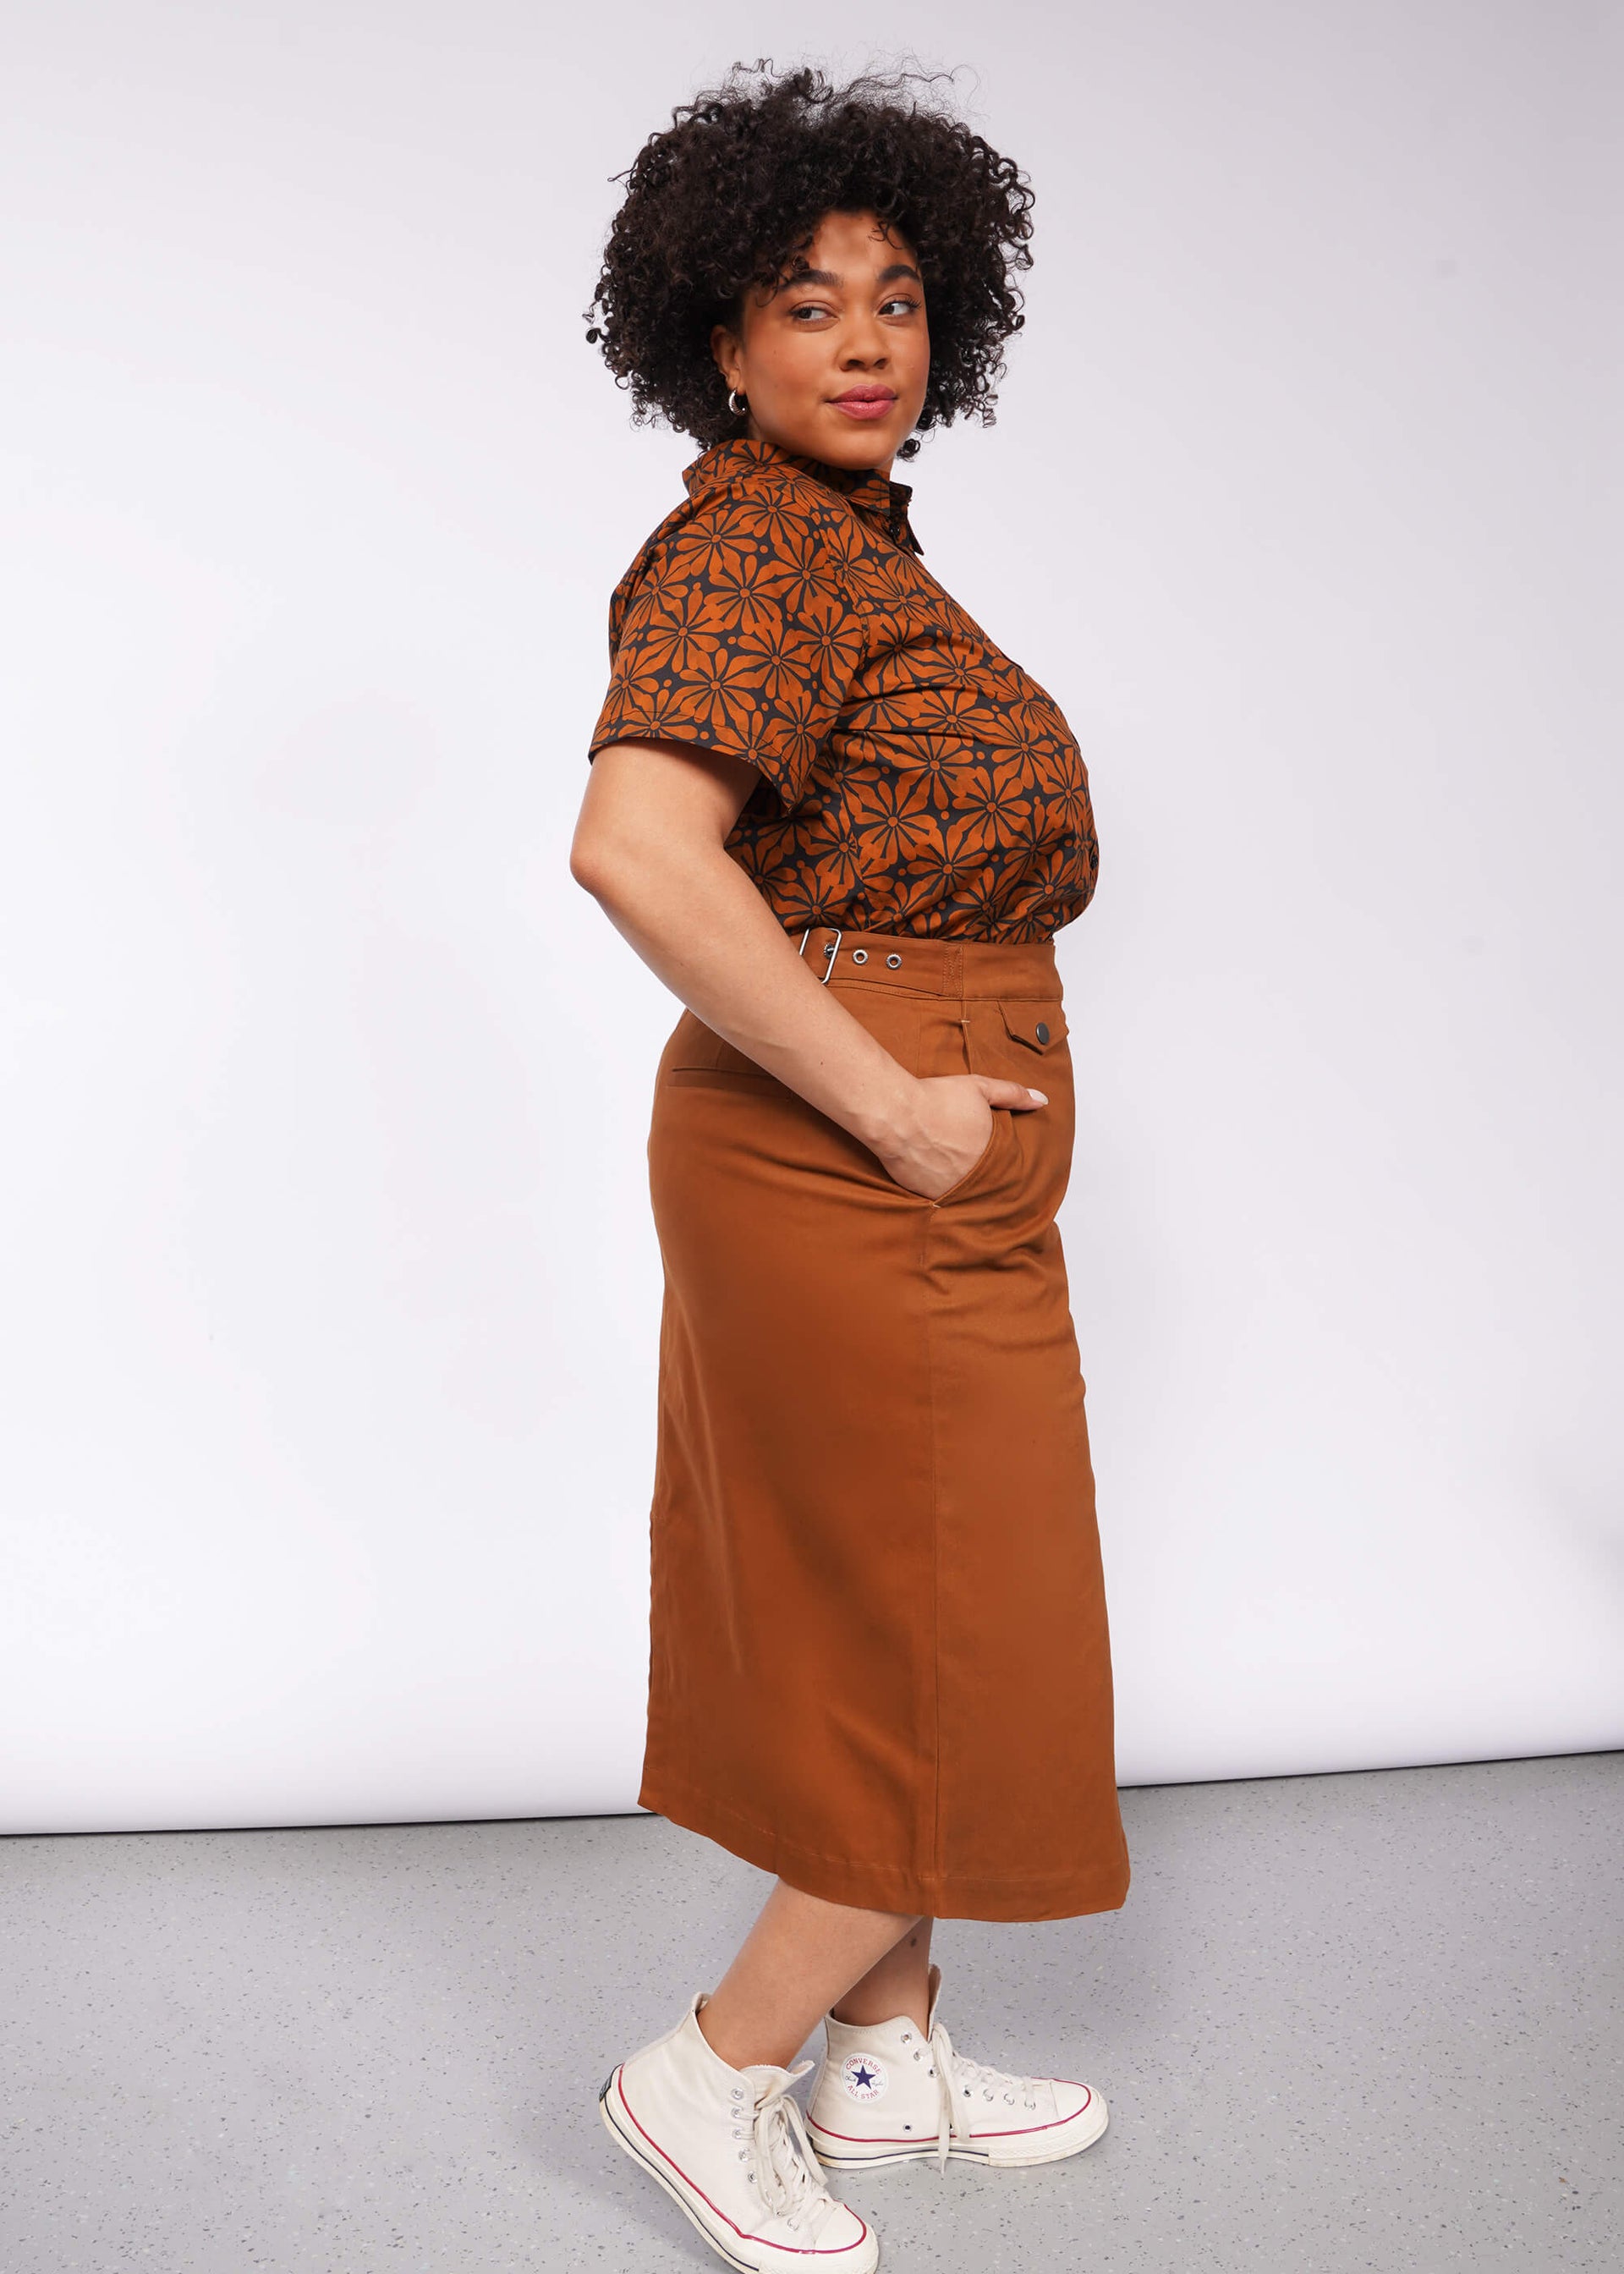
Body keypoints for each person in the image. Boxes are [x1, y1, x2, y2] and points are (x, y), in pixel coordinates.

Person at [570, 63, 1131, 2272]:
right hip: (855, 1150)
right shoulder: (753, 549)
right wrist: (895, 1107)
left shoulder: (849, 547)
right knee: (956, 1649)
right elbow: (635, 845)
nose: (865, 339)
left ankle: (882, 2061)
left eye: (899, 299)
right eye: (807, 306)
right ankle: (711, 2072)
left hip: (906, 1142)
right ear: (719, 339)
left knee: (900, 1618)